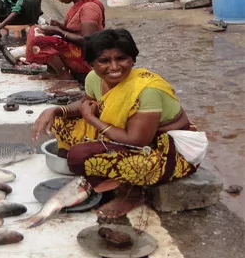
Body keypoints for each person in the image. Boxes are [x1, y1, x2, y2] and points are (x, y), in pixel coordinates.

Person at [32, 29, 205, 219]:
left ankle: (132, 194)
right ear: (91, 64)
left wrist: (92, 120)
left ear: (132, 59)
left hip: (167, 148)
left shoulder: (147, 90)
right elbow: (84, 104)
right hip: (125, 136)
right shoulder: (94, 78)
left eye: (121, 58)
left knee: (80, 156)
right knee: (60, 122)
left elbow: (136, 140)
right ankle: (100, 177)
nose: (114, 67)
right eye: (104, 61)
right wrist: (56, 110)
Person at [23, 0, 105, 82]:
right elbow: (78, 30)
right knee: (35, 30)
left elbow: (89, 41)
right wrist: (61, 27)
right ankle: (54, 71)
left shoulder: (89, 8)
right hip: (78, 49)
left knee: (41, 41)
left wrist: (59, 31)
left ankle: (65, 76)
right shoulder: (80, 4)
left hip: (87, 57)